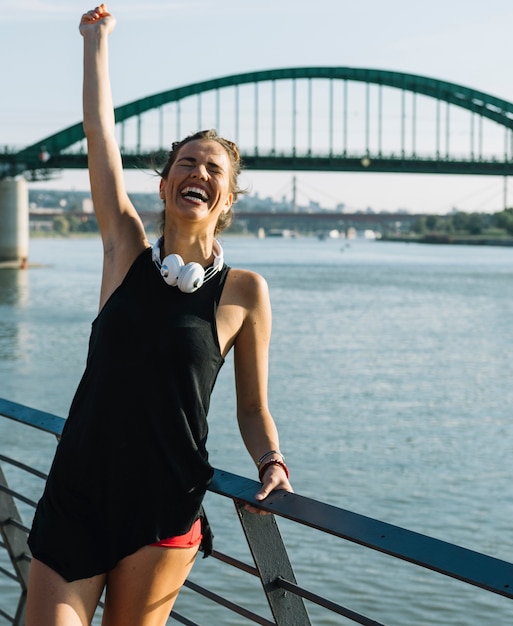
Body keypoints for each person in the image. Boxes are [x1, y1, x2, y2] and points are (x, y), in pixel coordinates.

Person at [25, 4, 293, 625]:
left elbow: (252, 409)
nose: (197, 172)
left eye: (212, 168)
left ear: (226, 197)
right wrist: (96, 44)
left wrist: (271, 463)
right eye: (185, 163)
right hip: (79, 491)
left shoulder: (246, 292)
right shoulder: (124, 250)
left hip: (164, 506)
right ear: (166, 183)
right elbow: (101, 136)